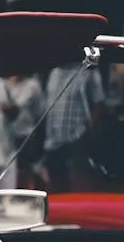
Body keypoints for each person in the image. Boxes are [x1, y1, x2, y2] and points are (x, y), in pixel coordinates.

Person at [43, 62, 105, 192]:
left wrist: (87, 132)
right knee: (55, 188)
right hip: (53, 141)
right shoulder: (54, 71)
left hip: (77, 138)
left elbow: (98, 103)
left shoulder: (89, 71)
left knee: (78, 187)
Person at [3, 75, 45, 188]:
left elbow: (39, 111)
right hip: (6, 138)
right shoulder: (2, 85)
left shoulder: (32, 85)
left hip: (27, 135)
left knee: (28, 171)